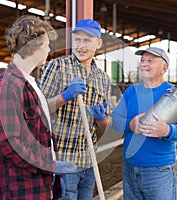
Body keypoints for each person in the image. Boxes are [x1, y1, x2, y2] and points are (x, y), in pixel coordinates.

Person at [0, 15, 77, 200]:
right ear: (33, 47)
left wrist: (53, 170)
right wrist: (49, 165)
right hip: (23, 187)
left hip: (41, 184)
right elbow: (7, 144)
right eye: (45, 45)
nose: (49, 49)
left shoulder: (30, 83)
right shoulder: (7, 86)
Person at [38, 19, 112, 199]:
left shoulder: (103, 79)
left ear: (99, 43)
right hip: (63, 160)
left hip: (89, 160)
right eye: (77, 40)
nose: (81, 46)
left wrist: (101, 118)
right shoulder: (56, 67)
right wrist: (64, 96)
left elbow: (106, 125)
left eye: (87, 40)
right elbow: (37, 109)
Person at [108, 47, 177, 199]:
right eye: (142, 60)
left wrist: (167, 130)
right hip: (129, 167)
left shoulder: (172, 94)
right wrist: (131, 125)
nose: (144, 64)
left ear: (164, 68)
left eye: (150, 61)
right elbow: (114, 121)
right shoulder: (131, 91)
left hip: (158, 170)